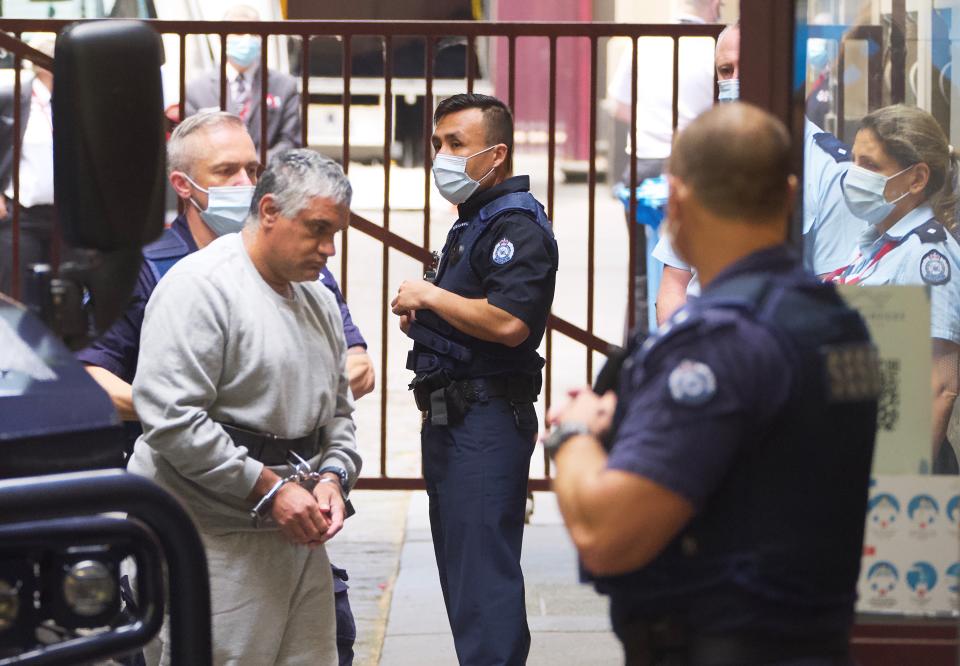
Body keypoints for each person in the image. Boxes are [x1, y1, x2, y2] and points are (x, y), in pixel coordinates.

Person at [546, 103, 878, 665]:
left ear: (676, 201)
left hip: (721, 642)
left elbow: (608, 533)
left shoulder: (721, 342)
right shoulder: (836, 321)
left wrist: (573, 434)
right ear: (789, 193)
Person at [76, 111, 369, 665]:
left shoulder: (320, 299)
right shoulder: (197, 287)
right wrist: (266, 488)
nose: (329, 249)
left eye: (335, 232)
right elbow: (172, 419)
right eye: (318, 230)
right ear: (269, 212)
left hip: (295, 531)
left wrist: (334, 477)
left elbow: (340, 414)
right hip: (208, 533)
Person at [391, 93, 558, 665]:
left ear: (496, 154)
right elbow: (476, 309)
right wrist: (431, 312)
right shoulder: (476, 220)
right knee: (466, 580)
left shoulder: (517, 226)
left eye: (456, 145)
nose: (442, 155)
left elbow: (511, 322)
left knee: (483, 586)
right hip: (454, 419)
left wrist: (432, 295)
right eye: (438, 144)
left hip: (484, 421)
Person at [652, 21, 861, 324]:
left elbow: (834, 291)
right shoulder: (702, 153)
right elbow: (674, 282)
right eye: (726, 70)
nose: (735, 81)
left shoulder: (828, 169)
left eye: (746, 68)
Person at [827, 104, 960, 473]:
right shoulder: (874, 245)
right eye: (854, 161)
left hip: (901, 466)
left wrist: (899, 489)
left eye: (869, 165)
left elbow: (941, 386)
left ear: (916, 179)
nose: (854, 175)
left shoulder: (927, 257)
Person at [607, 0, 719, 185]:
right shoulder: (716, 46)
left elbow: (618, 107)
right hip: (697, 160)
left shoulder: (643, 41)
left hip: (645, 160)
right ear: (715, 5)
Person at [184, 4, 301, 160]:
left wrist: (252, 165)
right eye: (238, 32)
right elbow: (191, 144)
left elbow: (290, 142)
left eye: (253, 33)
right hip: (215, 178)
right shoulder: (197, 90)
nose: (246, 39)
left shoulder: (285, 86)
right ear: (221, 39)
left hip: (267, 177)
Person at [0, 35, 56, 295]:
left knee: (63, 295)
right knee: (18, 292)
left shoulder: (78, 101)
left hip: (67, 216)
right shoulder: (16, 98)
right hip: (22, 214)